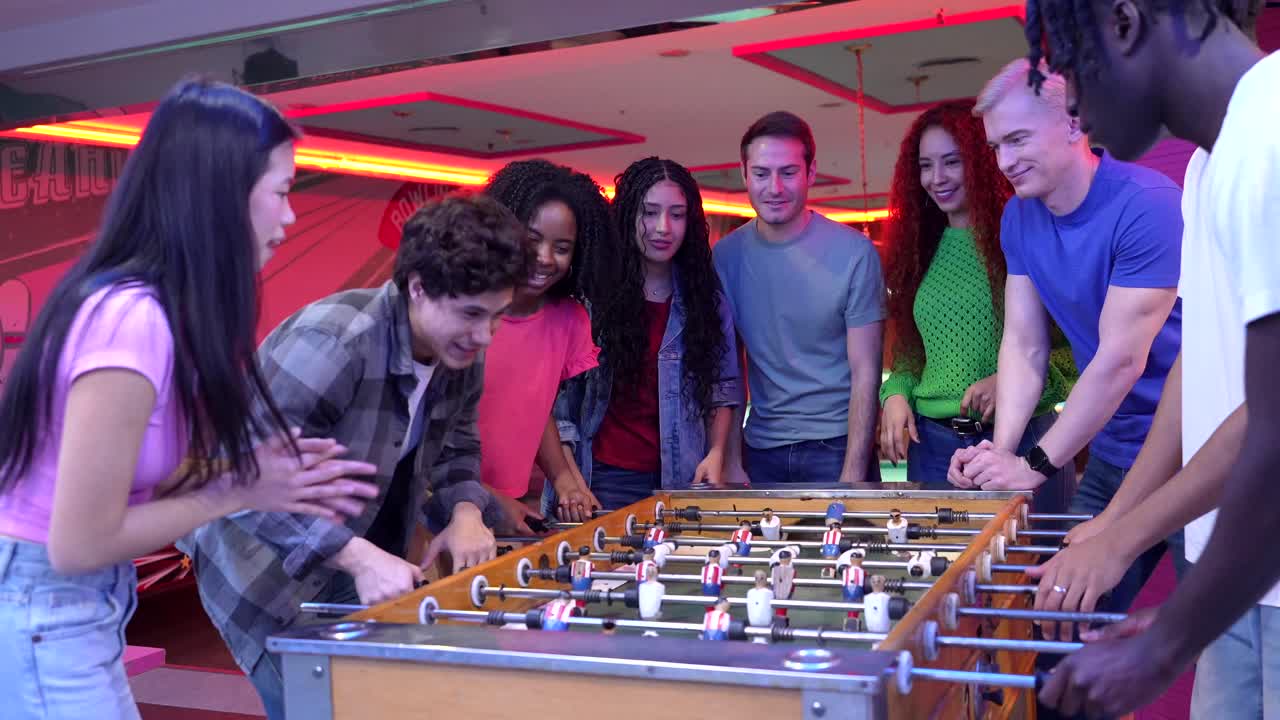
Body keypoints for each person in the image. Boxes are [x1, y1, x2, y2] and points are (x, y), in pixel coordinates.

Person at [0, 78, 378, 720]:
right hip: (46, 604)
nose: (291, 215)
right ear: (222, 195)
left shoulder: (161, 314)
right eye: (283, 192)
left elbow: (136, 476)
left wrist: (245, 473)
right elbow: (79, 543)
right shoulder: (131, 319)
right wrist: (239, 491)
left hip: (73, 606)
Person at [1008, 1, 1278, 716]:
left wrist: (1132, 554)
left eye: (1069, 66)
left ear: (1124, 22)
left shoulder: (1273, 130)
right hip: (1246, 570)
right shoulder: (1207, 167)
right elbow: (1200, 372)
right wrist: (1112, 524)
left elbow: (1275, 428)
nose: (1073, 103)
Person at [181, 192, 530, 720]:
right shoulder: (333, 342)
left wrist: (464, 513)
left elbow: (457, 446)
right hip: (262, 570)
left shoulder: (462, 352)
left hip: (357, 548)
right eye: (472, 314)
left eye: (498, 317)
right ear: (417, 288)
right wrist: (359, 556)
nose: (484, 336)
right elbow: (242, 480)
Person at [952, 56, 1185, 619]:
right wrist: (1000, 455)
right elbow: (1024, 345)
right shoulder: (1019, 218)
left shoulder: (1147, 203)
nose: (1004, 161)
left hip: (1189, 448)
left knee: (1221, 626)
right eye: (995, 147)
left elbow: (1121, 359)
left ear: (1076, 124)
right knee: (1063, 617)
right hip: (1113, 448)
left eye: (1018, 140)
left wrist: (1032, 465)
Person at [878, 99, 1076, 512]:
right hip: (932, 447)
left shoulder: (1024, 233)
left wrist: (1008, 378)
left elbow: (1074, 350)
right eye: (925, 165)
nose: (937, 178)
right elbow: (912, 359)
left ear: (981, 161)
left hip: (1024, 439)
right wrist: (894, 395)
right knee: (942, 575)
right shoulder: (917, 251)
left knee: (1029, 572)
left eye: (952, 162)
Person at [553, 157, 742, 510]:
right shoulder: (591, 297)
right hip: (602, 480)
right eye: (649, 212)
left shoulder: (707, 301)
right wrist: (570, 476)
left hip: (684, 477)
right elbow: (562, 400)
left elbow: (722, 389)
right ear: (627, 216)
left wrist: (717, 453)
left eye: (677, 214)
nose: (662, 228)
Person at [713, 111, 885, 486]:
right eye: (761, 173)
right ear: (744, 174)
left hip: (838, 447)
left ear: (812, 172)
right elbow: (730, 370)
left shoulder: (855, 253)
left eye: (788, 172)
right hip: (758, 448)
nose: (774, 187)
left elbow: (866, 371)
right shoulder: (724, 257)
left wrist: (853, 474)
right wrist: (730, 457)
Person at [479, 159, 606, 528]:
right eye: (532, 240)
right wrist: (487, 500)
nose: (545, 258)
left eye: (562, 247)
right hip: (439, 499)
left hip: (508, 502)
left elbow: (533, 404)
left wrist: (564, 478)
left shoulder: (570, 320)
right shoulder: (465, 311)